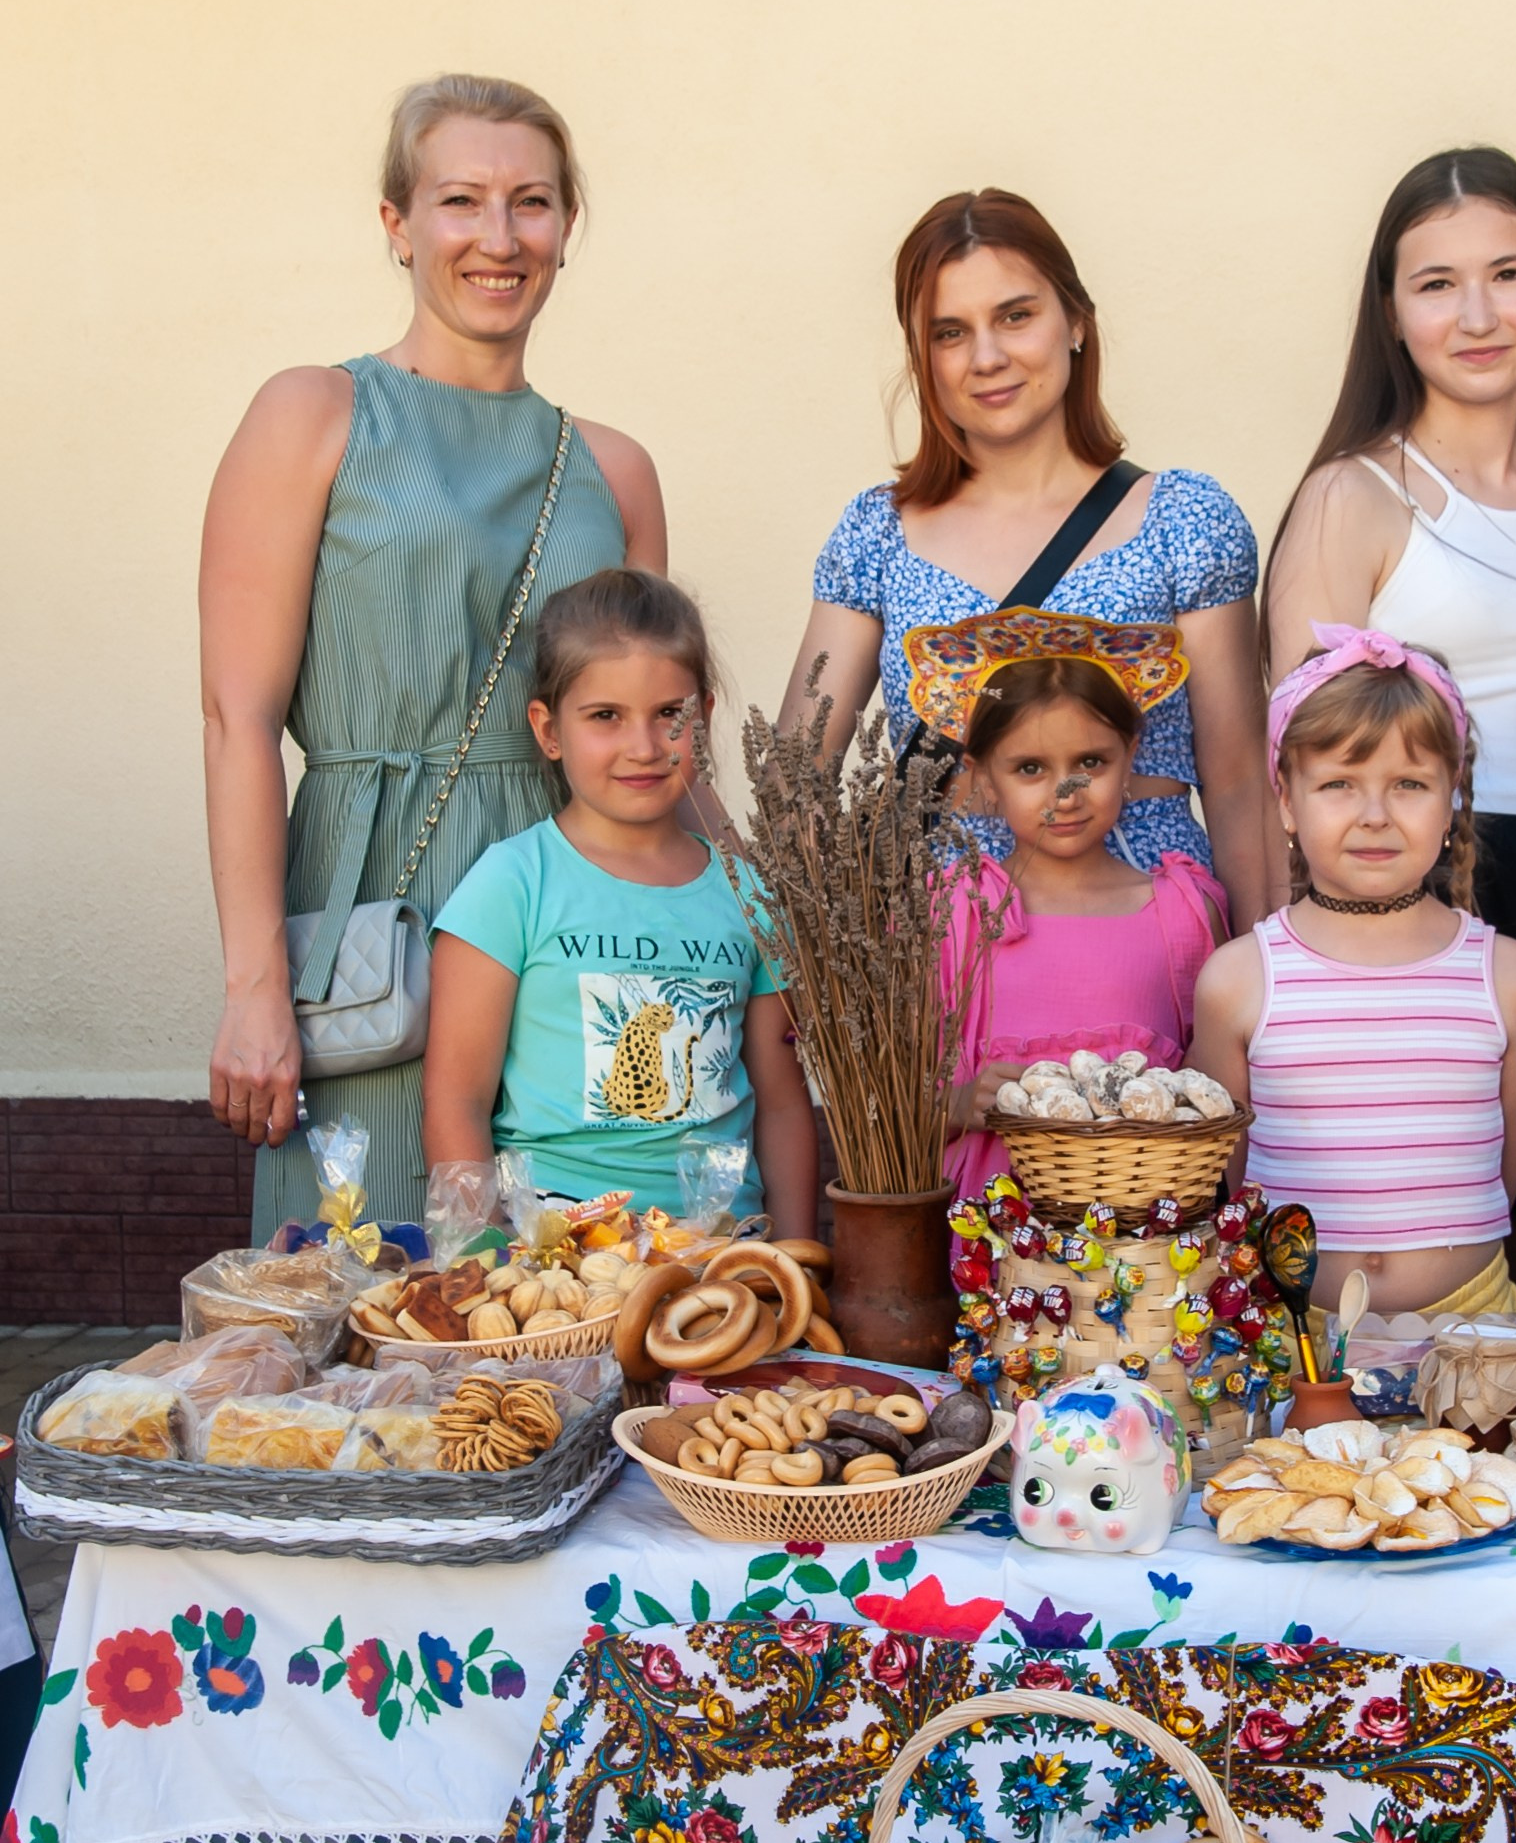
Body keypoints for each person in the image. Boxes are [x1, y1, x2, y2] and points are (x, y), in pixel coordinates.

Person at [201, 72, 667, 1235]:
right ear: (397, 225)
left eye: (533, 203)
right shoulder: (311, 413)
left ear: (566, 228)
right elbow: (236, 720)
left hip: (579, 906)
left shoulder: (613, 468)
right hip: (378, 907)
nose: (498, 239)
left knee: (575, 1272)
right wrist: (256, 986)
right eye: (460, 201)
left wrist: (744, 924)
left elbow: (659, 737)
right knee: (364, 1273)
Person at [781, 187, 1273, 926]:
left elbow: (1237, 783)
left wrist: (1264, 978)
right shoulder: (878, 532)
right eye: (949, 333)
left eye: (1015, 316)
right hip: (938, 939)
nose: (987, 357)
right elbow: (794, 780)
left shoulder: (1182, 520)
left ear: (1075, 321)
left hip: (1141, 923)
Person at [1263, 148, 1516, 1041]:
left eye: (1507, 275)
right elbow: (1299, 761)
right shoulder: (1349, 498)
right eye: (1435, 285)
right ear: (1391, 309)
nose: (1476, 315)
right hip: (1403, 898)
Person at [423, 569, 816, 1231]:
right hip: (554, 1262)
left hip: (722, 1257)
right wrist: (486, 1266)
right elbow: (455, 1100)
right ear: (549, 731)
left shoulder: (748, 894)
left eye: (669, 715)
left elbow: (780, 1104)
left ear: (707, 716)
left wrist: (803, 1260)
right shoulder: (511, 883)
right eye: (606, 716)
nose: (642, 746)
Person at [1191, 628, 1516, 1315]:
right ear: (1288, 802)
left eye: (1409, 784)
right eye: (1338, 785)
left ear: (1452, 797)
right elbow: (1240, 1182)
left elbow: (1510, 1176)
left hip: (1474, 1341)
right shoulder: (1238, 982)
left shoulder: (1507, 978)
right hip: (1294, 1342)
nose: (1375, 815)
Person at [904, 613, 1228, 1198]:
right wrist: (956, 1103)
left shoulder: (1182, 912)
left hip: (1146, 1240)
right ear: (981, 778)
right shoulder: (955, 912)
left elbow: (1215, 1096)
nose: (1066, 792)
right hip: (990, 1240)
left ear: (1130, 756)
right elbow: (888, 1093)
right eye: (1030, 768)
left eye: (1091, 763)